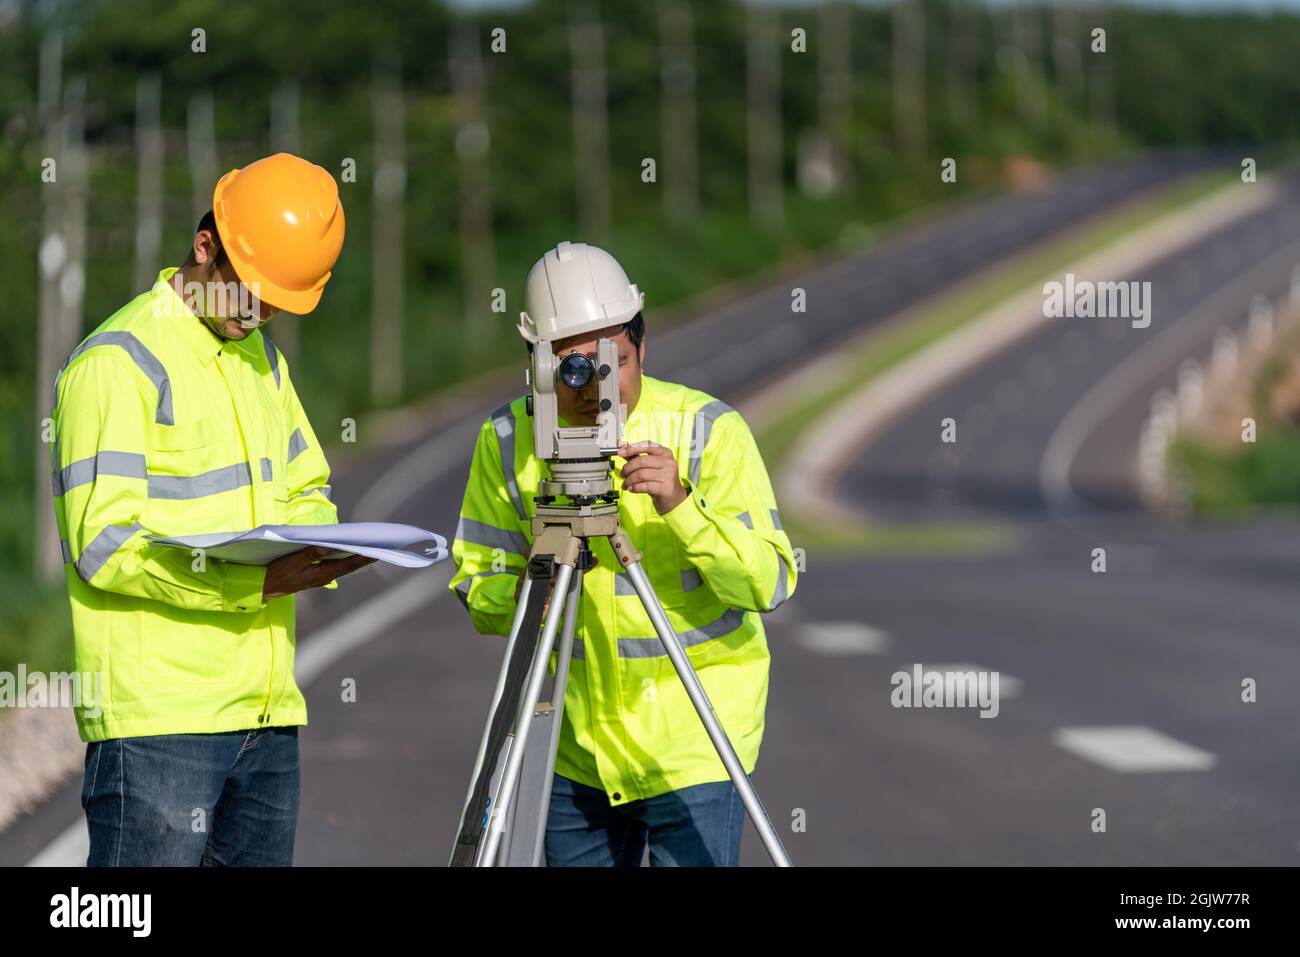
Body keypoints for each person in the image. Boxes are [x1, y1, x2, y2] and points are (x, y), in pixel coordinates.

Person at [49, 152, 375, 866]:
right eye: (251, 293)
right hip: (160, 724)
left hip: (266, 712)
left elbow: (307, 486)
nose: (258, 315)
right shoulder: (119, 362)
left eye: (275, 304)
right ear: (205, 247)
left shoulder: (261, 360)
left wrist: (322, 548)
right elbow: (103, 543)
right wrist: (252, 582)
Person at [449, 241, 797, 866]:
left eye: (616, 360)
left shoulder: (706, 432)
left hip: (696, 746)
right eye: (571, 366)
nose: (594, 385)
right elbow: (478, 587)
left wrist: (681, 505)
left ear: (643, 348)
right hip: (573, 751)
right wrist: (538, 585)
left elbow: (766, 583)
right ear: (535, 363)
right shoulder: (507, 442)